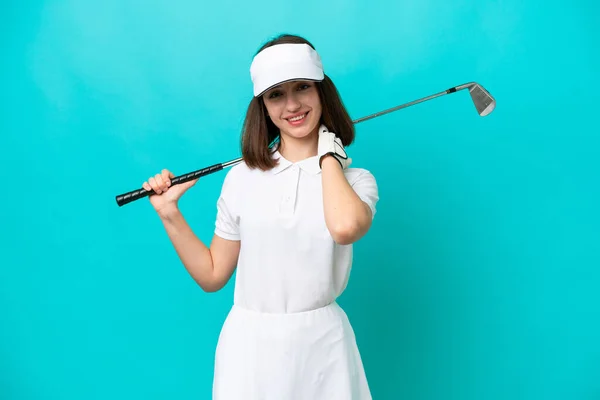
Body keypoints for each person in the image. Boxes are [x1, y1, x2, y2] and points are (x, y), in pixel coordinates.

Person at [142, 34, 379, 399]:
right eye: (276, 94)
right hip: (249, 348)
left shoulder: (356, 180)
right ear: (263, 107)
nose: (292, 104)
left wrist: (328, 154)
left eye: (303, 87)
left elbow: (346, 227)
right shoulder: (241, 178)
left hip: (323, 347)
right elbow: (212, 275)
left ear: (322, 93)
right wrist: (169, 213)